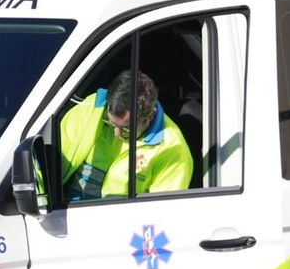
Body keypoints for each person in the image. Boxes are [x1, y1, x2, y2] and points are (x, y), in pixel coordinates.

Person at [59, 69, 193, 200]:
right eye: (109, 123)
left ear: (150, 116)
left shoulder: (173, 151)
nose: (117, 134)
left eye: (126, 130)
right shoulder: (91, 107)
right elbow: (49, 160)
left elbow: (160, 213)